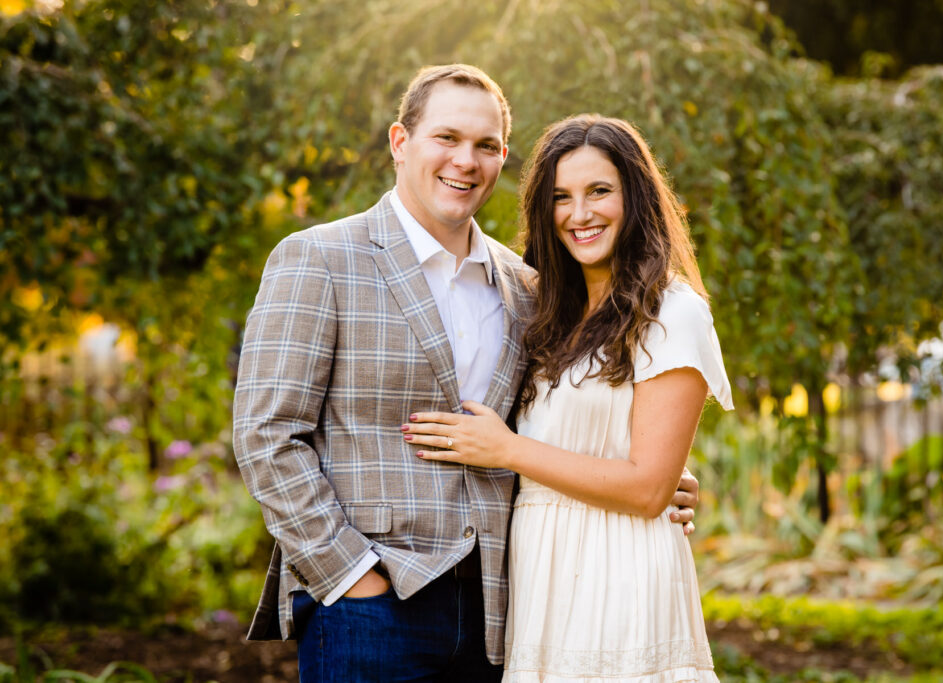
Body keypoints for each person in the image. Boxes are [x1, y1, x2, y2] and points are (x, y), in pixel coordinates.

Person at [232, 66, 701, 681]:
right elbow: (267, 435)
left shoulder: (528, 288)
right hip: (371, 608)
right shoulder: (318, 258)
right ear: (401, 142)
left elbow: (563, 412)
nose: (465, 161)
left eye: (485, 146)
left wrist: (661, 472)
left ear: (503, 157)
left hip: (503, 609)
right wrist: (349, 575)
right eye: (446, 138)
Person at [403, 114, 733, 681]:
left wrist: (505, 449)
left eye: (599, 191)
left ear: (637, 196)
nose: (579, 215)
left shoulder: (672, 313)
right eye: (561, 197)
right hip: (541, 576)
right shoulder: (545, 311)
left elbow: (649, 488)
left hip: (620, 573)